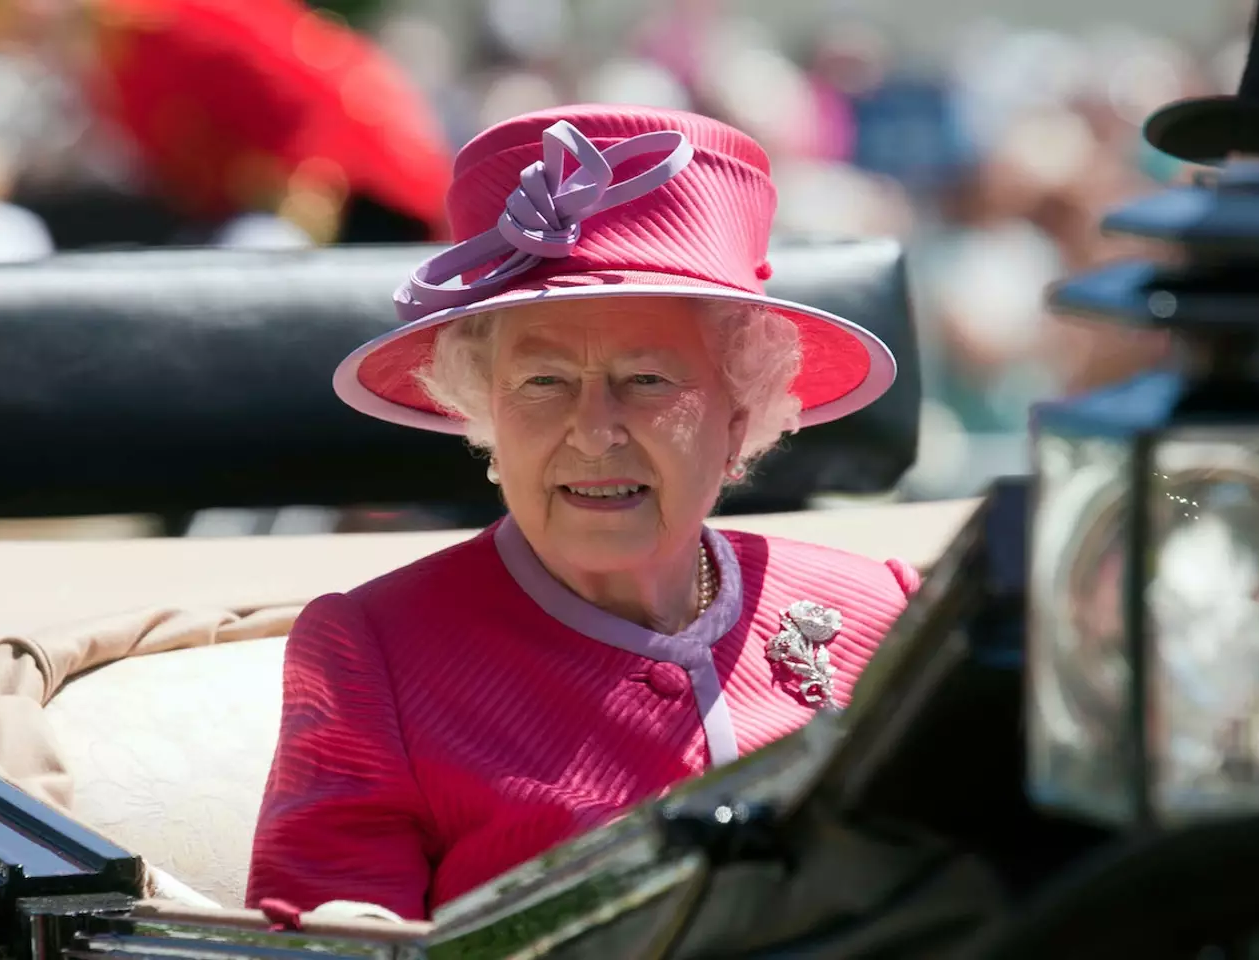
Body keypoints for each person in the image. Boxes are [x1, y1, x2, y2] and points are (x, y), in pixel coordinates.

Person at [246, 103, 919, 921]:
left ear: (739, 414)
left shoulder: (884, 612)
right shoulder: (375, 657)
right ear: (484, 411)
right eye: (543, 382)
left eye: (648, 380)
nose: (594, 433)